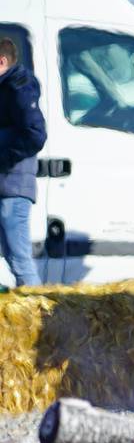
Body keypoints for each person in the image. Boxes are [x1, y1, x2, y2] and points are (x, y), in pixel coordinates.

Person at [0, 37, 46, 287]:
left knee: (19, 259)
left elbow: (35, 135)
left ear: (1, 61)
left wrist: (3, 159)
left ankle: (38, 317)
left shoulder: (18, 87)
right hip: (6, 183)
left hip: (13, 184)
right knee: (12, 256)